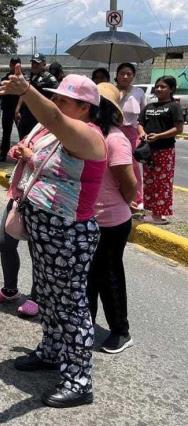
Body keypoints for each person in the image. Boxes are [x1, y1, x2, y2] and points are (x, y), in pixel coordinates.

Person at [0, 68, 108, 408]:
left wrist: (28, 90)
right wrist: (21, 151)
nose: (57, 104)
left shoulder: (89, 137)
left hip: (68, 234)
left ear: (86, 107)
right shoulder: (51, 130)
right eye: (57, 98)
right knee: (47, 295)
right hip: (44, 232)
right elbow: (35, 148)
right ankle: (50, 351)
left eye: (65, 100)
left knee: (71, 306)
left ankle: (79, 380)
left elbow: (54, 118)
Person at [87, 83, 137, 354]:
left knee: (109, 276)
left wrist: (117, 202)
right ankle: (87, 322)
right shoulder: (90, 135)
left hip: (112, 221)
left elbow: (129, 184)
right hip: (89, 219)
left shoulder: (115, 139)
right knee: (89, 275)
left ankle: (121, 330)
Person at [0, 125, 39, 317]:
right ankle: (9, 290)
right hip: (19, 195)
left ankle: (37, 297)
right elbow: (12, 152)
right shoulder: (38, 128)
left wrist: (31, 156)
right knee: (5, 243)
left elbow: (55, 169)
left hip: (41, 201)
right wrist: (18, 151)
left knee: (37, 254)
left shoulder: (63, 134)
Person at [137, 75, 184, 224]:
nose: (158, 89)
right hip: (149, 150)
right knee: (149, 182)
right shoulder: (149, 107)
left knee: (162, 183)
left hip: (165, 150)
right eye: (157, 86)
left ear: (171, 89)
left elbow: (178, 129)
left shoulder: (173, 106)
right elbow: (140, 123)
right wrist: (142, 133)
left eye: (163, 87)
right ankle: (151, 212)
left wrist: (159, 136)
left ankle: (159, 216)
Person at [115, 63, 146, 210]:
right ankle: (117, 194)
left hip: (132, 132)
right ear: (117, 75)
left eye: (129, 74)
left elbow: (143, 115)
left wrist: (142, 132)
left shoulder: (139, 92)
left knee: (133, 166)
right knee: (115, 164)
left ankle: (137, 197)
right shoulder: (111, 90)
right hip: (114, 130)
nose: (125, 76)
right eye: (122, 73)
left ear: (133, 76)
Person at [15, 53, 58, 139]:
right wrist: (17, 109)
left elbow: (56, 95)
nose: (34, 65)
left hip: (39, 116)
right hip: (26, 114)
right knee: (22, 138)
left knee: (34, 140)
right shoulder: (28, 76)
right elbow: (24, 93)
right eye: (33, 63)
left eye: (37, 63)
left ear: (44, 64)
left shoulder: (49, 79)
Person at [0, 57, 22, 162]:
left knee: (22, 133)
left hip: (19, 110)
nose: (14, 66)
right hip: (7, 108)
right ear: (10, 65)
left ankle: (21, 157)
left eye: (16, 64)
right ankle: (3, 154)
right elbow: (1, 92)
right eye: (12, 64)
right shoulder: (5, 79)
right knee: (6, 133)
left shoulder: (23, 79)